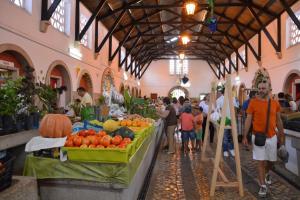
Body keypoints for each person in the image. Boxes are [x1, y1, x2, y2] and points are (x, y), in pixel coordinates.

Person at [243, 81, 285, 197]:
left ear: (269, 89)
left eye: (263, 88)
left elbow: (279, 120)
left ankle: (267, 172)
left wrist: (281, 134)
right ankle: (262, 186)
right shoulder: (253, 103)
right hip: (257, 137)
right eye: (259, 88)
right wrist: (245, 135)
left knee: (272, 161)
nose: (261, 90)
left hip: (272, 137)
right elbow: (248, 120)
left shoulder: (275, 103)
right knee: (260, 161)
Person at [216, 88, 239, 157]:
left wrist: (237, 101)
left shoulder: (232, 98)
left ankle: (231, 148)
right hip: (224, 120)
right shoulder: (219, 100)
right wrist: (221, 119)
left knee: (231, 136)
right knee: (225, 136)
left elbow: (236, 107)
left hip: (232, 119)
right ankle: (225, 150)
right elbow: (218, 110)